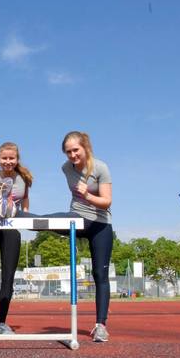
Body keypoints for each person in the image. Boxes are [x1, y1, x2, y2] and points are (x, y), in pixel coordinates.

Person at [58, 131, 113, 342]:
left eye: (76, 150)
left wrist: (88, 194)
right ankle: (16, 215)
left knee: (100, 274)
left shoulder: (100, 167)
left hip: (100, 223)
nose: (72, 155)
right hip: (77, 218)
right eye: (68, 152)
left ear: (85, 148)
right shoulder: (66, 168)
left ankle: (101, 326)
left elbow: (107, 201)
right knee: (45, 222)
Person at [0, 142, 33, 334]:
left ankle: (1, 323)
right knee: (6, 226)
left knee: (8, 276)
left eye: (12, 158)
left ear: (17, 159)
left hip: (10, 226)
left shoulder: (23, 178)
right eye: (4, 158)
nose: (8, 161)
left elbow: (25, 197)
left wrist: (25, 214)